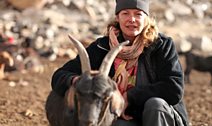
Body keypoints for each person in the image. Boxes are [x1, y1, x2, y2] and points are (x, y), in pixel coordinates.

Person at [51, 0, 189, 125]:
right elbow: (59, 75)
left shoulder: (161, 45)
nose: (132, 19)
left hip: (158, 117)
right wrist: (78, 80)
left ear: (146, 18)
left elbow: (174, 89)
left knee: (155, 105)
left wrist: (130, 96)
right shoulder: (101, 47)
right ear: (117, 17)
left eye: (138, 14)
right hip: (121, 117)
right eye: (125, 13)